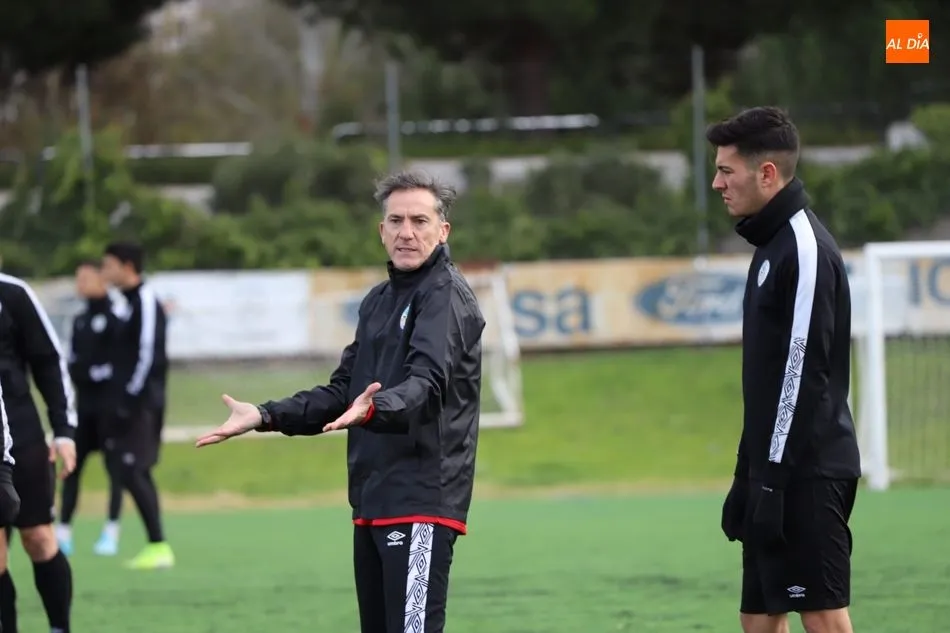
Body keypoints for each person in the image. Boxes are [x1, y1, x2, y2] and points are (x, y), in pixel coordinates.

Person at [196, 169, 486, 633]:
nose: (406, 232)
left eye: (419, 221)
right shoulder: (378, 301)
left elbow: (426, 384)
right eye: (395, 221)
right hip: (371, 500)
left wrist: (375, 408)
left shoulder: (446, 296)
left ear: (442, 230)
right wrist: (265, 415)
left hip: (421, 502)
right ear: (381, 230)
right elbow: (340, 393)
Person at [708, 106, 861, 633]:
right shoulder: (769, 244)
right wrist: (745, 475)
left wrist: (771, 482)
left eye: (727, 171)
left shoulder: (804, 247)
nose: (716, 183)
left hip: (808, 470)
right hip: (774, 468)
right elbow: (767, 382)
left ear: (767, 173)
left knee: (820, 615)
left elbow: (801, 373)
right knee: (759, 616)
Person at [0, 272, 77, 633]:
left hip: (22, 433)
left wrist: (64, 430)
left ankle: (59, 627)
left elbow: (49, 361)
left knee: (39, 537)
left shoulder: (12, 294)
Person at [100, 242, 174, 570]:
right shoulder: (124, 303)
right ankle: (156, 545)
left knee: (134, 469)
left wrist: (128, 399)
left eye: (109, 265)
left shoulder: (144, 300)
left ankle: (159, 546)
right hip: (125, 402)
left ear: (127, 265)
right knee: (129, 470)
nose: (105, 272)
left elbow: (147, 355)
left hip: (141, 403)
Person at [55, 260, 125, 557]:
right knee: (72, 469)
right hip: (83, 409)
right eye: (77, 279)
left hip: (110, 410)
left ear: (102, 280)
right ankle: (63, 532)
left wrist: (97, 373)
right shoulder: (80, 320)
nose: (79, 284)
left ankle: (111, 532)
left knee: (116, 470)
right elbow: (72, 364)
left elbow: (119, 364)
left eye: (85, 278)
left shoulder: (117, 318)